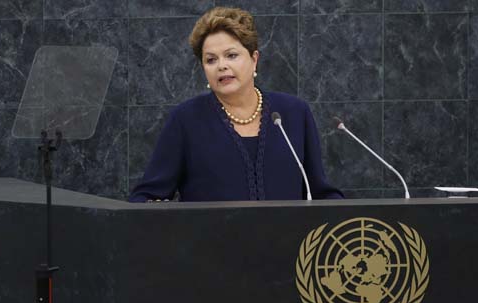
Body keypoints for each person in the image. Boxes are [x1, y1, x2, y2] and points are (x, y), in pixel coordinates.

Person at [129, 7, 343, 202]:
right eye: (211, 60)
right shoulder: (186, 119)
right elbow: (145, 196)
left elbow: (320, 191)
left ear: (254, 59)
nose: (222, 66)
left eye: (231, 55)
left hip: (290, 244)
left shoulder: (294, 113)